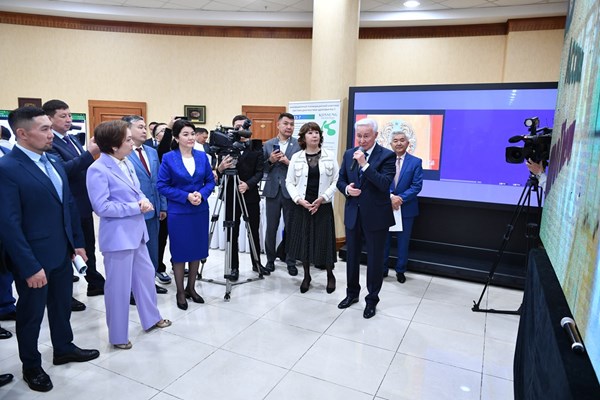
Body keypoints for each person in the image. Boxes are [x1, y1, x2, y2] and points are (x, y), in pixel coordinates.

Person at [0, 107, 100, 392]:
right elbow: (8, 224)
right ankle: (31, 365)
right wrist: (29, 266)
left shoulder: (53, 160)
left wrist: (77, 242)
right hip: (34, 259)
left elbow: (68, 205)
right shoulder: (7, 169)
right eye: (44, 129)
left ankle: (63, 347)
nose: (51, 134)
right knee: (31, 315)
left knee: (61, 305)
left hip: (61, 252)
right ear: (22, 133)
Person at [86, 120, 171, 350]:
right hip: (118, 237)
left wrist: (143, 199)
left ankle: (151, 318)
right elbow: (102, 207)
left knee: (145, 278)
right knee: (118, 288)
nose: (132, 143)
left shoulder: (126, 162)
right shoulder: (97, 169)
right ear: (114, 146)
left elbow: (136, 190)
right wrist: (135, 207)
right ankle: (118, 335)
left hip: (137, 232)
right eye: (128, 140)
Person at [43, 99, 105, 310]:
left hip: (82, 203)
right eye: (63, 116)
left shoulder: (72, 139)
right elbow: (63, 170)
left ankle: (94, 282)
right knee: (66, 251)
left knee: (87, 246)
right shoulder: (50, 144)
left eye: (69, 115)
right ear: (49, 119)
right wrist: (90, 153)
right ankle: (65, 296)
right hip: (66, 205)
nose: (69, 119)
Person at [336, 118, 396, 319]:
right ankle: (352, 293)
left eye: (366, 136)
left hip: (376, 216)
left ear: (376, 135)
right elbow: (340, 180)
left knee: (375, 259)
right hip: (354, 213)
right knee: (351, 257)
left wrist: (364, 164)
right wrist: (346, 189)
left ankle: (372, 300)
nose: (361, 140)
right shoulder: (349, 154)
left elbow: (384, 183)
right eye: (359, 136)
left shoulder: (387, 156)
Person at [157, 119, 215, 310]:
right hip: (179, 212)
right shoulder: (169, 158)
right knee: (180, 251)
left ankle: (191, 288)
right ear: (176, 138)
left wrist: (202, 194)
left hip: (199, 210)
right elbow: (162, 185)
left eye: (192, 134)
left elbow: (210, 181)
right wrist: (186, 196)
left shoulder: (202, 156)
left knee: (197, 249)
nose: (190, 138)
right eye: (185, 134)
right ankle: (180, 292)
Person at [285, 122, 339, 293]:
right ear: (303, 138)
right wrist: (298, 200)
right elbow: (289, 182)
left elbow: (337, 180)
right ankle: (306, 276)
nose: (314, 135)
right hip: (303, 206)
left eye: (316, 132)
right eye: (310, 133)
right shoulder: (296, 157)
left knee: (325, 241)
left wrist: (323, 198)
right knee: (304, 242)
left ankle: (330, 274)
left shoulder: (329, 156)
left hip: (322, 205)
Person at [216, 116, 270, 281]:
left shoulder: (256, 147)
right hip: (231, 195)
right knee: (232, 232)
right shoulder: (225, 148)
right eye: (236, 127)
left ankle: (256, 263)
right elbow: (218, 173)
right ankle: (233, 267)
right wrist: (220, 168)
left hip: (250, 195)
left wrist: (248, 184)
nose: (240, 130)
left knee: (253, 231)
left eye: (243, 127)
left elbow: (260, 172)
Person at [123, 115, 171, 287]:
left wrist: (162, 206)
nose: (144, 131)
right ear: (127, 129)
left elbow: (158, 180)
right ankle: (134, 287)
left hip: (154, 209)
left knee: (152, 249)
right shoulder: (123, 154)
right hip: (135, 210)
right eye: (140, 127)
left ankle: (149, 284)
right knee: (136, 252)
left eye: (145, 127)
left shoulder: (151, 151)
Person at [263, 112, 301, 275]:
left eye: (291, 124)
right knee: (271, 228)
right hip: (272, 191)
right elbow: (262, 169)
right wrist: (270, 161)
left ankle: (290, 261)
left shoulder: (299, 145)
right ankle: (270, 260)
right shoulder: (268, 144)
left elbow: (303, 169)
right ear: (278, 125)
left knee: (291, 228)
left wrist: (288, 162)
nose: (289, 127)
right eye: (286, 123)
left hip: (291, 193)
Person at [383, 129, 423, 283]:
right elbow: (380, 182)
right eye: (395, 141)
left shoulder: (416, 162)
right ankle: (383, 269)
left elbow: (416, 186)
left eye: (402, 140)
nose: (398, 143)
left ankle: (400, 271)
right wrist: (391, 197)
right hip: (386, 207)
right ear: (391, 144)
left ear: (408, 143)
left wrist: (399, 198)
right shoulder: (384, 160)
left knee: (403, 243)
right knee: (384, 242)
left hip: (406, 208)